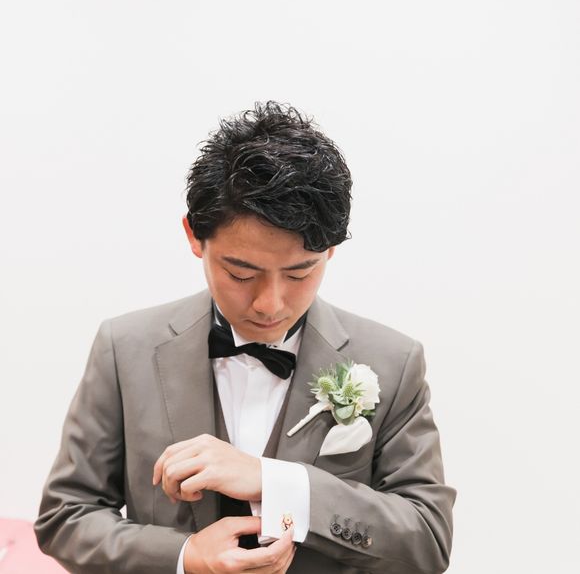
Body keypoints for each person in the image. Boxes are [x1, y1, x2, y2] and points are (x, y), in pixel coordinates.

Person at [34, 101, 456, 573]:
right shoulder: (125, 348)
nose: (269, 304)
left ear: (331, 251)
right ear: (194, 236)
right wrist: (185, 557)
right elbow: (65, 517)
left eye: (299, 273)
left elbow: (427, 540)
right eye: (241, 273)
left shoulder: (393, 361)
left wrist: (274, 483)